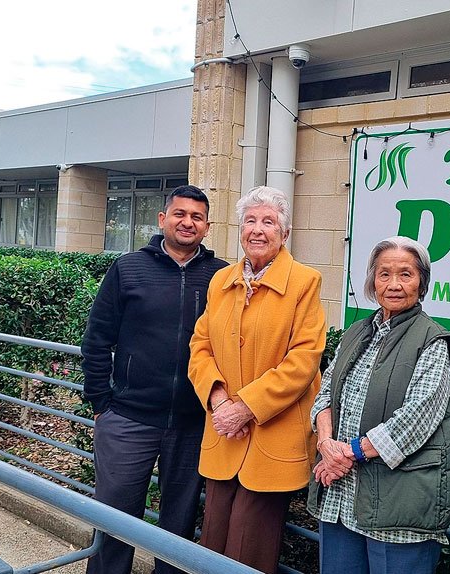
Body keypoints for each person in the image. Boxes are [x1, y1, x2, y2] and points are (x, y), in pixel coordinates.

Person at [81, 185, 228, 574]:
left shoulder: (221, 277)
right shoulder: (128, 268)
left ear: (207, 227)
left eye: (197, 217)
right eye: (179, 214)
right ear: (163, 219)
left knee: (177, 527)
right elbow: (97, 339)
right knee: (114, 518)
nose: (187, 222)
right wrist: (101, 404)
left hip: (195, 423)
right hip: (129, 418)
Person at [188, 186, 326, 574]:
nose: (257, 230)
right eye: (250, 220)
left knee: (250, 549)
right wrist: (218, 401)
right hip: (223, 433)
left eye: (268, 221)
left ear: (284, 232)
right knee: (211, 540)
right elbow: (200, 346)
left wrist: (245, 408)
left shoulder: (305, 282)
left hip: (271, 438)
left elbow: (304, 359)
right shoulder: (222, 281)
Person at [307, 236, 450, 574]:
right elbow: (324, 395)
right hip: (341, 496)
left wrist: (344, 455)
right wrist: (324, 443)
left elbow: (414, 421)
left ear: (421, 283)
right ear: (372, 282)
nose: (394, 284)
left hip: (398, 506)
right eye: (384, 274)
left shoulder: (434, 341)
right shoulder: (356, 332)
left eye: (405, 274)